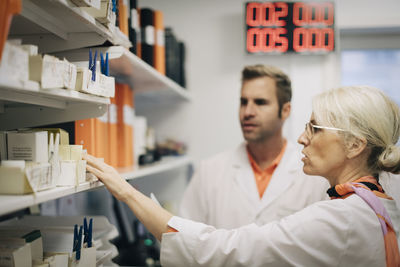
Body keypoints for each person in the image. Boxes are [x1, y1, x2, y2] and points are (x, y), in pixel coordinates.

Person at [85, 85, 400, 266]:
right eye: (243, 101)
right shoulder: (381, 201)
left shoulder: (341, 218)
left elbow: (223, 249)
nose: (303, 138)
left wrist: (126, 192)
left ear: (355, 144)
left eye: (315, 128)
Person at [179, 64, 329, 228]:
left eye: (260, 102)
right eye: (244, 102)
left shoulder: (315, 177)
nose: (248, 112)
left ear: (285, 110)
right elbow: (185, 237)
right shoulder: (210, 171)